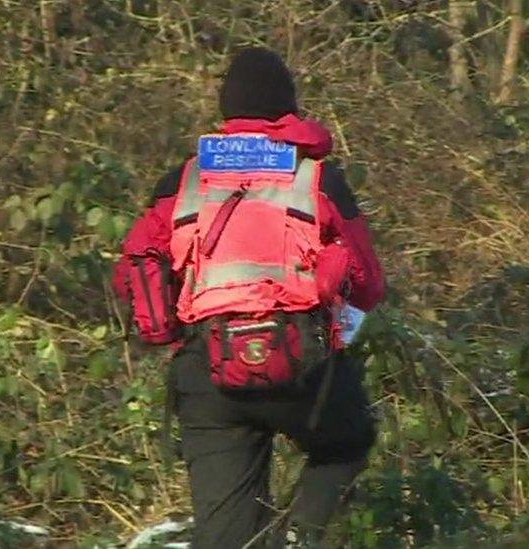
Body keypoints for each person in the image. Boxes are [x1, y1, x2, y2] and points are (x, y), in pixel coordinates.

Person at [114, 48, 385, 548]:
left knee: (224, 538)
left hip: (207, 367)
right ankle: (300, 537)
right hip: (302, 366)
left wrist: (175, 329)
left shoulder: (184, 180)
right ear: (288, 108)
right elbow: (368, 281)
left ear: (226, 109)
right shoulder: (317, 177)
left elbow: (135, 264)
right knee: (347, 443)